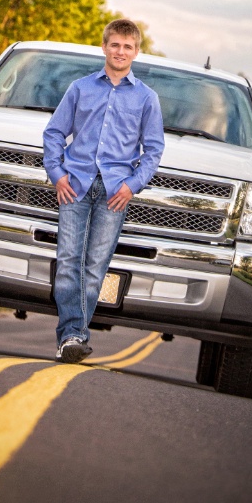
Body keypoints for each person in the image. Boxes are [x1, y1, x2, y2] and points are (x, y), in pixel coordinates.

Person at [42, 19, 165, 364]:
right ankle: (72, 336)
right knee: (69, 260)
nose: (120, 51)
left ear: (136, 52)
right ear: (104, 47)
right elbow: (54, 133)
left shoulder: (146, 98)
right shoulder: (80, 88)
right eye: (115, 45)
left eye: (128, 46)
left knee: (95, 265)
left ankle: (73, 336)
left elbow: (153, 150)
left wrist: (132, 185)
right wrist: (57, 174)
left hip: (115, 193)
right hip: (75, 185)